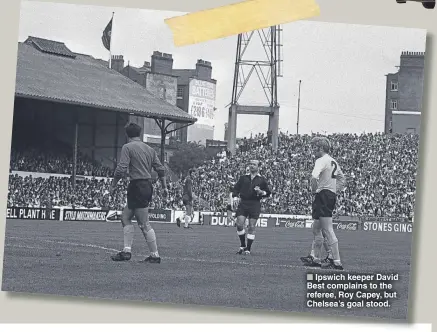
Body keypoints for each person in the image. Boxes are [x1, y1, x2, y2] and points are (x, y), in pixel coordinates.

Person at [109, 123, 168, 264]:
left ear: (127, 135)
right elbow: (160, 169)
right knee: (125, 217)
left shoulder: (127, 147)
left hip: (137, 185)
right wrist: (165, 186)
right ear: (139, 134)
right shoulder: (149, 149)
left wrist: (113, 184)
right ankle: (126, 252)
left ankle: (155, 255)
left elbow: (121, 168)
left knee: (144, 223)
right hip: (145, 185)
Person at [301, 137, 346, 270]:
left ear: (320, 148)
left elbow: (314, 176)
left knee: (327, 229)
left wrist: (315, 191)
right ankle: (315, 257)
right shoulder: (333, 161)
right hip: (328, 194)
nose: (313, 150)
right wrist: (333, 190)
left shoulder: (321, 160)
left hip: (323, 195)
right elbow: (342, 179)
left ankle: (336, 260)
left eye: (314, 147)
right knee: (316, 228)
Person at [232, 160, 271, 255]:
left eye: (254, 164)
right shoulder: (243, 178)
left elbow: (268, 193)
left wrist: (261, 192)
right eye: (251, 164)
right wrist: (235, 197)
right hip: (243, 203)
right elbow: (236, 189)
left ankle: (248, 249)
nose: (252, 166)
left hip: (255, 203)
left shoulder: (262, 180)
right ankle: (242, 245)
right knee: (239, 224)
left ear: (258, 167)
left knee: (251, 226)